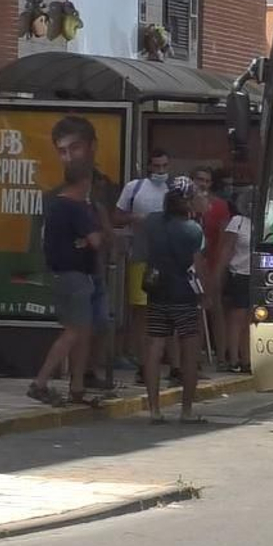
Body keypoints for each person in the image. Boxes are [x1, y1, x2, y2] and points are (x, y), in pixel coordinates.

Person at [44, 116, 118, 390]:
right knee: (78, 328)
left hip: (94, 269)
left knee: (98, 325)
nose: (68, 157)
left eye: (74, 148)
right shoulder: (58, 200)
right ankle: (58, 381)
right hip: (76, 273)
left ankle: (83, 377)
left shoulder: (105, 188)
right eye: (62, 151)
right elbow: (96, 238)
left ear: (92, 147)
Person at [28, 158, 105, 407]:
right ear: (85, 181)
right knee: (73, 332)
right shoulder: (77, 207)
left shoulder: (55, 205)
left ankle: (77, 387)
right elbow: (95, 241)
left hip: (60, 274)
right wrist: (97, 234)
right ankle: (40, 382)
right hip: (76, 277)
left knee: (82, 331)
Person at [142, 176, 208, 423]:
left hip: (157, 291)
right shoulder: (193, 230)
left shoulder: (152, 222)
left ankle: (154, 409)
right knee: (189, 350)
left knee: (155, 348)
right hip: (184, 295)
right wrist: (206, 294)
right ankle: (186, 410)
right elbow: (199, 267)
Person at [116, 148, 172, 379]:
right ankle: (142, 361)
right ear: (149, 167)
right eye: (156, 167)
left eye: (164, 167)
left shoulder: (173, 190)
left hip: (167, 260)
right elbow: (117, 216)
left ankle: (160, 359)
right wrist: (135, 218)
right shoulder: (134, 188)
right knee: (141, 312)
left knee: (164, 311)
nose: (160, 171)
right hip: (140, 256)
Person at [191, 166, 232, 368]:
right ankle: (195, 357)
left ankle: (222, 357)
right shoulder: (186, 205)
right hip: (191, 264)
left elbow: (224, 241)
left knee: (216, 309)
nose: (203, 184)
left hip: (212, 263)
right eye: (200, 179)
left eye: (207, 181)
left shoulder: (220, 206)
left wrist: (217, 271)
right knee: (195, 312)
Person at [214, 188, 254, 373]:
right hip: (238, 274)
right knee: (236, 319)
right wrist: (217, 275)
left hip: (256, 276)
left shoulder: (266, 224)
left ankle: (247, 359)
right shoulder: (237, 222)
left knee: (250, 320)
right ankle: (234, 359)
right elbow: (226, 250)